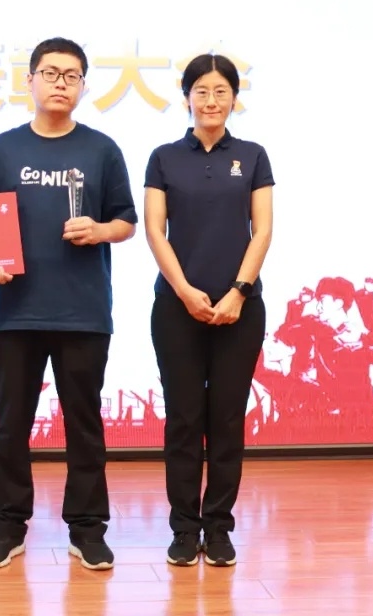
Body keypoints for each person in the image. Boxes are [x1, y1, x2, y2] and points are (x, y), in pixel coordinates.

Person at [0, 37, 138, 571]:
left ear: (84, 85)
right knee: (11, 424)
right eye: (50, 73)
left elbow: (126, 221)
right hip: (16, 311)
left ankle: (87, 529)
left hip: (83, 312)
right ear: (30, 81)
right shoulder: (1, 150)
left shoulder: (101, 149)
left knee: (83, 424)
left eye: (71, 75)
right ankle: (6, 526)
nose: (60, 83)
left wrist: (100, 229)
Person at [142, 53, 274, 568]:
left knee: (226, 419)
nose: (211, 100)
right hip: (177, 309)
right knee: (183, 419)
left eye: (221, 91)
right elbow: (155, 230)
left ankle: (218, 527)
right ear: (186, 99)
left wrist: (239, 292)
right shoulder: (164, 157)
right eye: (201, 91)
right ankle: (183, 527)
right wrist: (184, 291)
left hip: (240, 310)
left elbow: (262, 230)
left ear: (234, 99)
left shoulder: (253, 156)